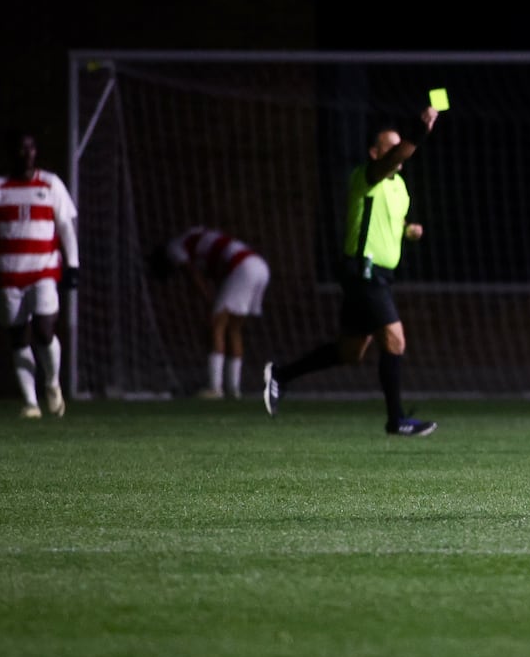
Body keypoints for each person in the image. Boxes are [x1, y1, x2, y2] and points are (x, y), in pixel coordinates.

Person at [263, 107, 439, 436]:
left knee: (350, 352)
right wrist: (421, 129)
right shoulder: (367, 175)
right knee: (394, 339)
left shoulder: (399, 187)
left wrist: (407, 231)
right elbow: (396, 158)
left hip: (381, 275)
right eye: (391, 146)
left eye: (400, 145)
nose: (398, 152)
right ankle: (396, 419)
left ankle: (281, 376)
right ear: (375, 153)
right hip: (363, 272)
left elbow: (387, 222)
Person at [0, 130, 79, 418]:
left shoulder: (50, 184)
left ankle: (52, 382)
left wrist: (73, 265)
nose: (27, 154)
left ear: (36, 152)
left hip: (44, 270)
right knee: (18, 335)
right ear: (12, 152)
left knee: (45, 329)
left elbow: (65, 226)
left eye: (31, 148)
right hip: (10, 273)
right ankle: (31, 403)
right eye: (21, 149)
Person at [149, 227, 271, 399]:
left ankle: (215, 387)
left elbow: (193, 274)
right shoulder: (196, 238)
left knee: (217, 325)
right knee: (234, 329)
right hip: (260, 267)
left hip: (243, 266)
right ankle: (233, 389)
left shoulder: (174, 248)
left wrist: (209, 300)